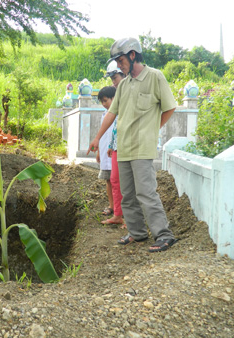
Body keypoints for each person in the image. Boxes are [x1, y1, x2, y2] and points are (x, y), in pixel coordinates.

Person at [87, 37, 177, 253]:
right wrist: (98, 137)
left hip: (142, 147)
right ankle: (137, 232)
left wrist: (153, 128)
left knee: (146, 192)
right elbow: (112, 113)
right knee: (127, 194)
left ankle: (164, 235)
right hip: (123, 148)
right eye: (117, 61)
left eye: (120, 60)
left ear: (133, 55)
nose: (118, 65)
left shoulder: (155, 77)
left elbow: (169, 108)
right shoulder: (124, 85)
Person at [101, 61, 126, 228]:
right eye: (111, 79)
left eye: (115, 78)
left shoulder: (130, 92)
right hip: (117, 146)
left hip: (130, 146)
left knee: (128, 184)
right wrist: (110, 144)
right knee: (115, 181)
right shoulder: (120, 95)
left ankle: (130, 220)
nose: (113, 82)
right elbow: (115, 125)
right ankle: (118, 214)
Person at [96, 86, 115, 217]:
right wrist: (98, 152)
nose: (103, 104)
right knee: (108, 180)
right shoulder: (104, 116)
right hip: (105, 153)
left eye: (105, 100)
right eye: (101, 101)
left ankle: (120, 208)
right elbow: (102, 136)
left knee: (117, 181)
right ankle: (111, 206)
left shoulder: (119, 115)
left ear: (114, 98)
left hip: (115, 153)